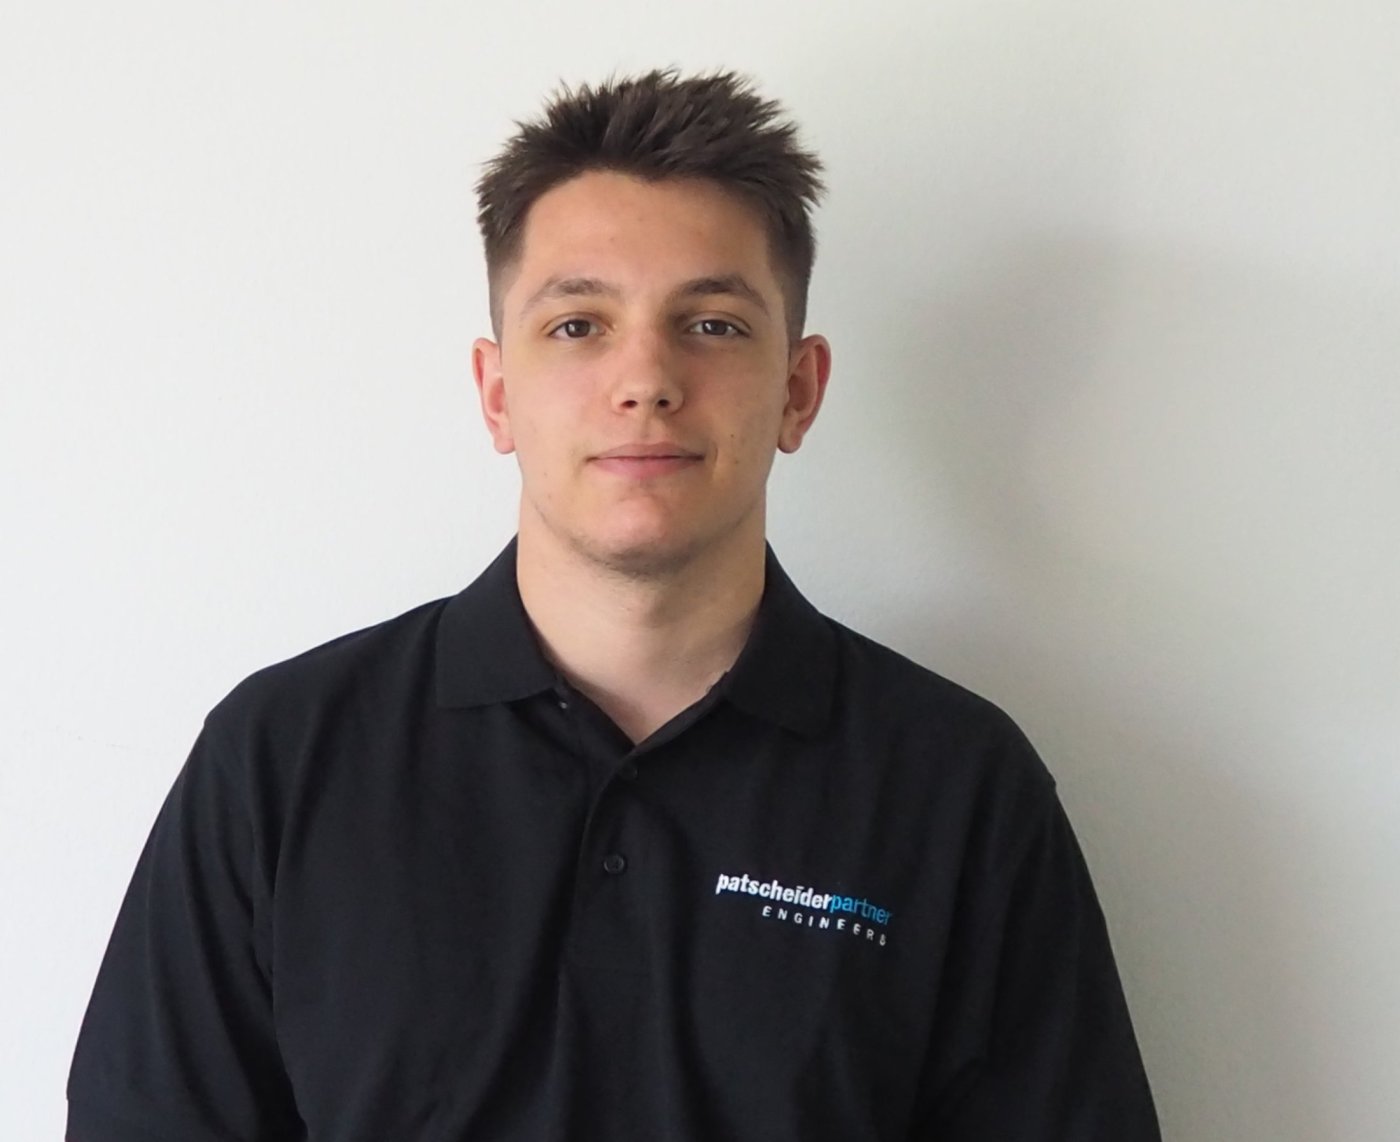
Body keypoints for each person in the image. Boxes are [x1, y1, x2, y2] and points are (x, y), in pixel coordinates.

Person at [67, 69, 1161, 1140]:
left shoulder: (956, 786)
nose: (645, 379)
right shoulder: (282, 756)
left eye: (713, 324)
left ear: (798, 390)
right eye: (577, 325)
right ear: (498, 392)